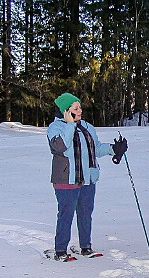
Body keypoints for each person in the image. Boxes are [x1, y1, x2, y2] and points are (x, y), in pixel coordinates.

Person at [47, 92, 128, 261]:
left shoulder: (87, 126)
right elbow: (60, 147)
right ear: (66, 111)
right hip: (66, 178)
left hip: (88, 178)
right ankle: (60, 250)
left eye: (80, 107)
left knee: (85, 213)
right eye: (76, 108)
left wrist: (114, 149)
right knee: (66, 214)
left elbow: (96, 148)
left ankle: (86, 246)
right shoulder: (55, 128)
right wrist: (70, 125)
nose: (80, 110)